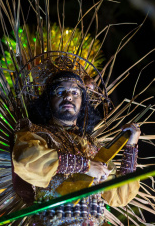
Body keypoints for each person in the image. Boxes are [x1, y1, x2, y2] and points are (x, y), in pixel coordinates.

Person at [12, 70, 141, 225]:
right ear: (48, 99)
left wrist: (131, 147)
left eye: (75, 92)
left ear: (83, 101)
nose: (68, 96)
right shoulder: (36, 134)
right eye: (60, 91)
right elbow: (27, 161)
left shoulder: (93, 146)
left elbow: (120, 195)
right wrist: (85, 166)